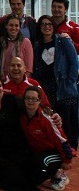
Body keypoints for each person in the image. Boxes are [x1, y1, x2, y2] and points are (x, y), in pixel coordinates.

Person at [0, 73, 42, 191]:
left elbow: (33, 109)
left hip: (17, 152)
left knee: (19, 177)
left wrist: (52, 115)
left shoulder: (13, 100)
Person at [33, 15, 79, 149]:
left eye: (49, 24)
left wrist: (70, 80)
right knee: (51, 117)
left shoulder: (63, 41)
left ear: (53, 27)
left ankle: (70, 147)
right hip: (46, 86)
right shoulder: (37, 45)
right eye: (43, 24)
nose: (46, 27)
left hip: (64, 86)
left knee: (67, 119)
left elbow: (73, 62)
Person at [21, 86, 73, 191]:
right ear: (24, 100)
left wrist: (67, 160)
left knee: (40, 164)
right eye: (28, 98)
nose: (31, 101)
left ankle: (58, 175)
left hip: (54, 152)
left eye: (34, 99)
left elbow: (62, 140)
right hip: (37, 151)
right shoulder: (22, 116)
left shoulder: (47, 118)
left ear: (39, 100)